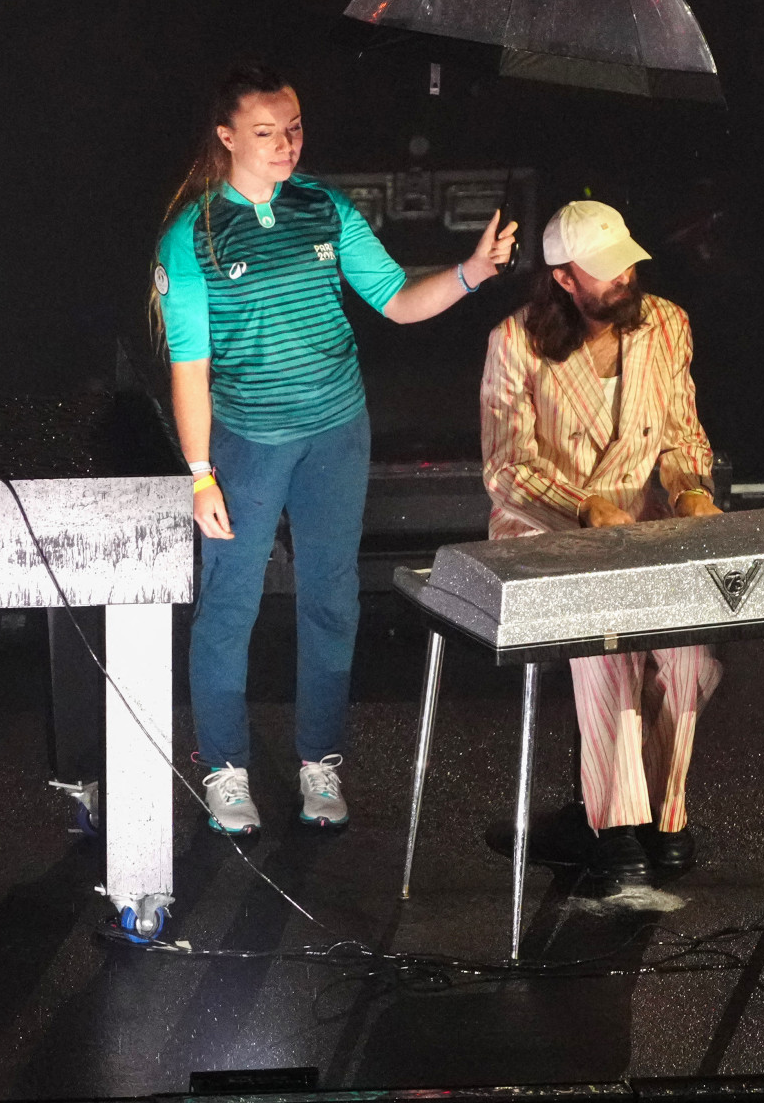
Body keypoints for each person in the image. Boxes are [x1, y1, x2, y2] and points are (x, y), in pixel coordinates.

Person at [156, 63, 514, 834]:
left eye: (293, 128)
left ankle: (320, 759)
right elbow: (191, 368)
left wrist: (470, 273)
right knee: (231, 605)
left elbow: (395, 300)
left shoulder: (324, 206)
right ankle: (224, 766)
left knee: (331, 598)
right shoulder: (193, 237)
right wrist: (199, 474)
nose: (285, 144)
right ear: (226, 138)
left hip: (336, 432)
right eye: (265, 132)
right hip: (246, 443)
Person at [479, 200, 722, 888]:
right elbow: (507, 469)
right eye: (606, 272)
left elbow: (681, 433)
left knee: (685, 648)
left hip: (639, 516)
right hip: (543, 525)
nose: (624, 279)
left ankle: (667, 822)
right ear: (563, 278)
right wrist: (585, 509)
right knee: (607, 642)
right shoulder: (516, 341)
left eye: (627, 265)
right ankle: (615, 829)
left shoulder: (665, 325)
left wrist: (691, 491)